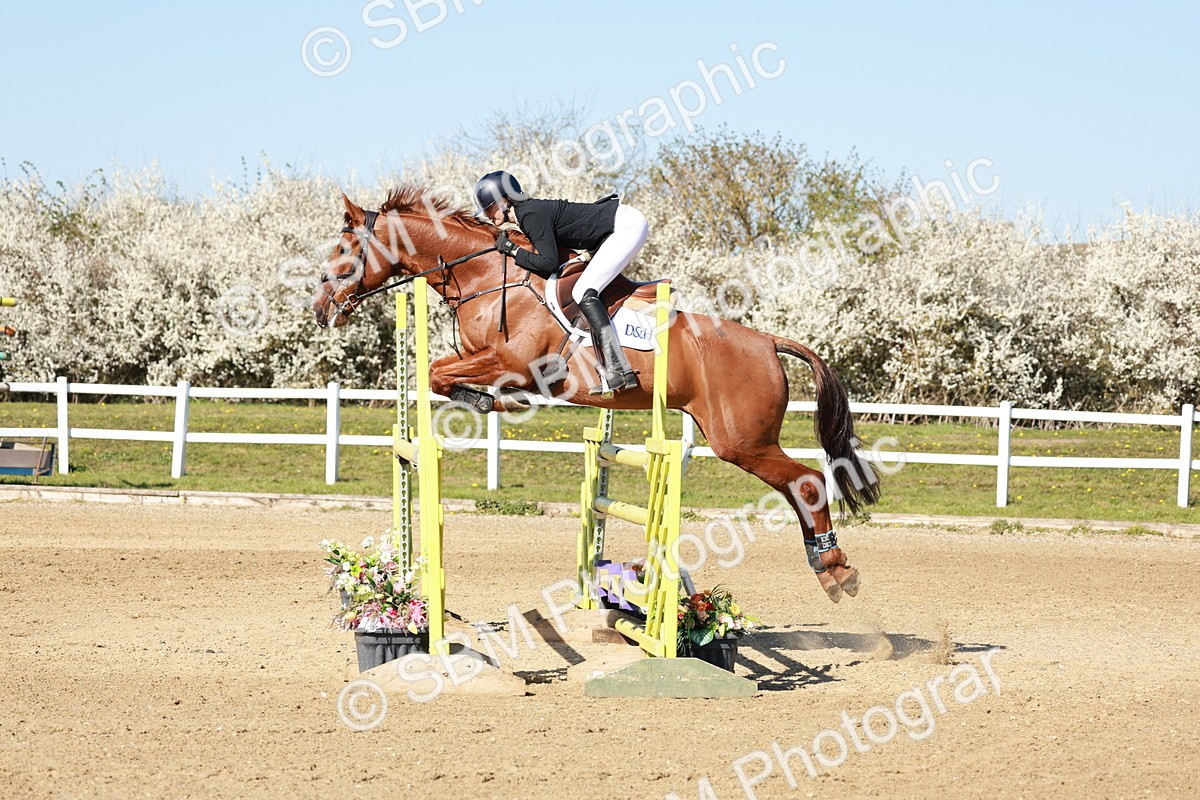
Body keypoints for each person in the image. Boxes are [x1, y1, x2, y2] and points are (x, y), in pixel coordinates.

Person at [473, 170, 648, 392]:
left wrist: (513, 250)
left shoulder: (529, 214)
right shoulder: (527, 213)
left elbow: (548, 262)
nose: (488, 215)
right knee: (583, 287)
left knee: (584, 291)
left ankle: (619, 368)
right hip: (616, 227)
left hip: (626, 226)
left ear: (503, 201)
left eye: (489, 208)